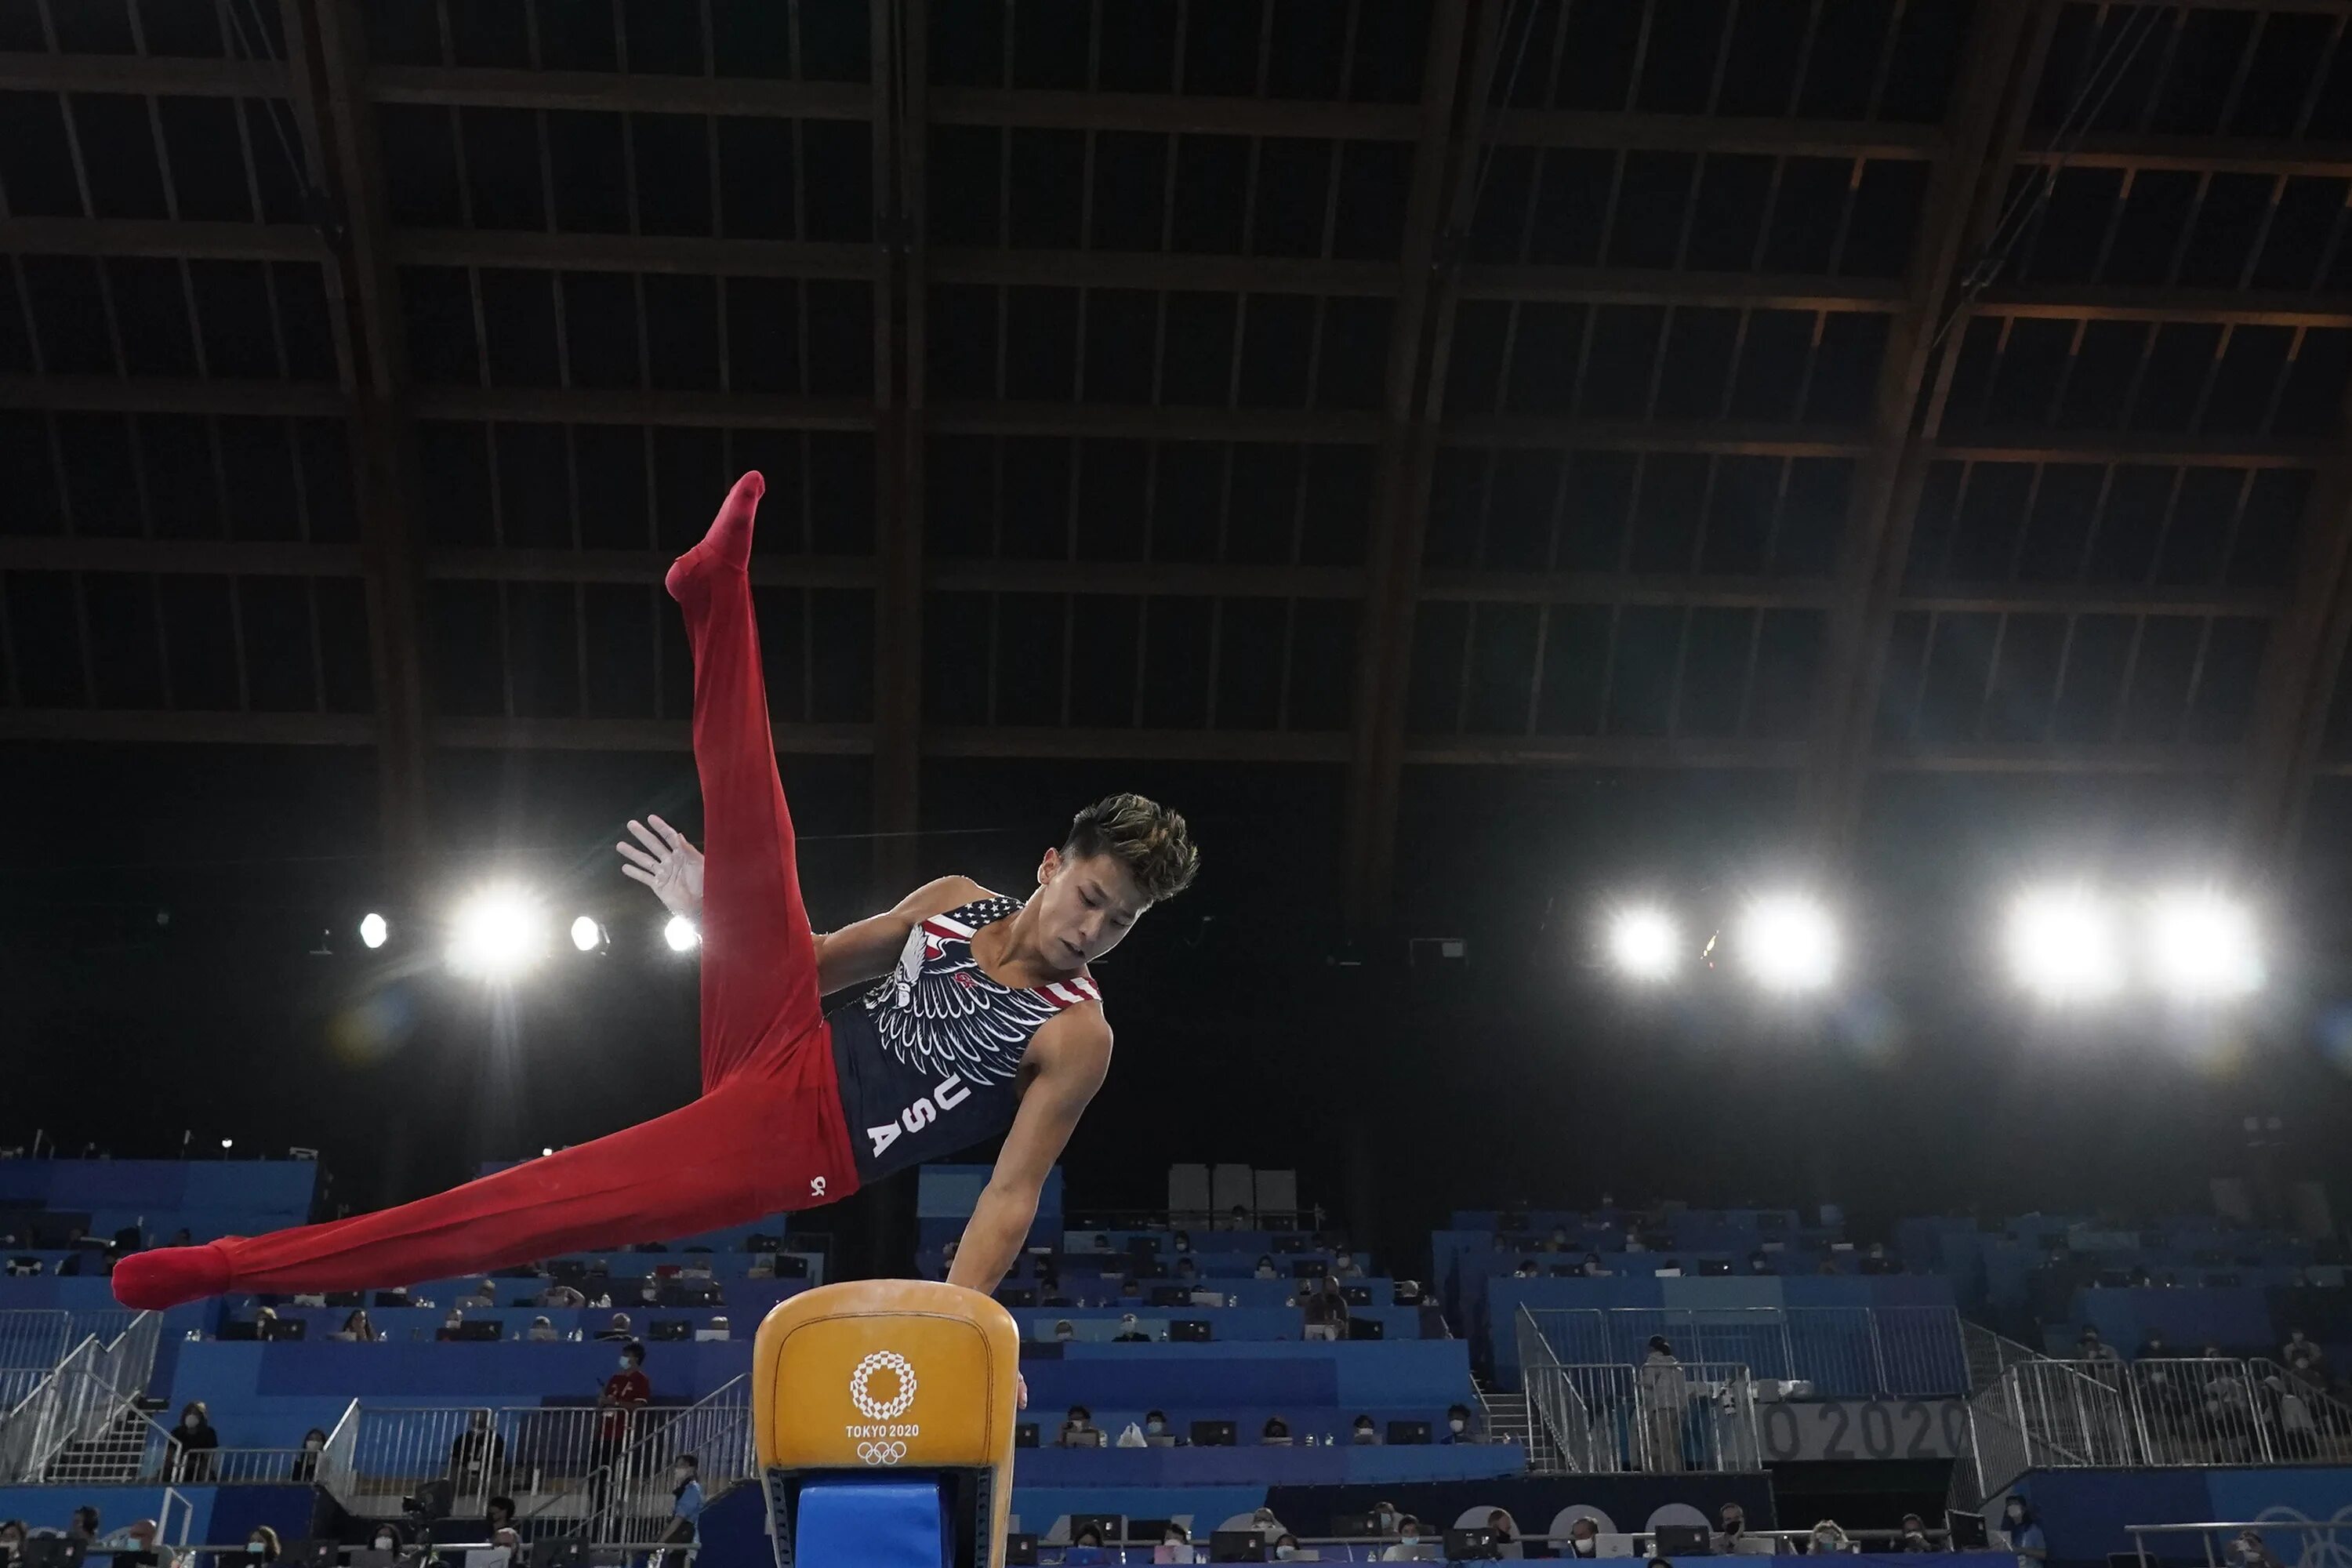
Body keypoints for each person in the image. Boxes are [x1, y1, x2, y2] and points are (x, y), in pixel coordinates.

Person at [111, 472, 1198, 1319]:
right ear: (1055, 863)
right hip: (778, 1036)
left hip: (803, 1143)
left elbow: (1010, 1194)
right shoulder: (958, 900)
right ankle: (712, 592)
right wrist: (722, 916)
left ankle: (220, 1270)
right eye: (1093, 896)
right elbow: (810, 966)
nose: (1094, 928)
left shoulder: (1076, 1035)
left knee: (518, 1215)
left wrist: (966, 1323)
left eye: (1121, 921)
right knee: (754, 842)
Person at [1639, 1336, 1690, 1472]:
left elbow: (1648, 1382)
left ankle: (1668, 1473)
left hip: (1662, 1406)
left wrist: (1639, 1381)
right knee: (1675, 1445)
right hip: (1678, 1407)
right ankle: (1678, 1471)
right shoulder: (1675, 1364)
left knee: (1664, 1444)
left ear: (1651, 1348)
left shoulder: (1653, 1361)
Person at [658, 1454, 703, 1568]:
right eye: (677, 1467)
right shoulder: (683, 1490)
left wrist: (661, 1541)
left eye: (681, 1466)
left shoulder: (692, 1489)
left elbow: (679, 1518)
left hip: (686, 1544)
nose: (677, 1470)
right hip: (679, 1544)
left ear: (691, 1468)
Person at [450, 1408, 507, 1492]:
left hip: (487, 1474)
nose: (477, 1418)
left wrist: (488, 1473)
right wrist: (462, 1470)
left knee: (498, 1483)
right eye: (475, 1415)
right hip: (465, 1474)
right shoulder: (462, 1438)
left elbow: (500, 1462)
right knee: (451, 1478)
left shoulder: (496, 1439)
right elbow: (454, 1461)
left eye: (481, 1416)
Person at [170, 1400, 219, 1483]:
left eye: (195, 1413)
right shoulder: (177, 1432)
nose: (191, 1416)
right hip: (180, 1465)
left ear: (201, 1417)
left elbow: (209, 1456)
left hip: (200, 1466)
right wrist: (177, 1464)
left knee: (204, 1472)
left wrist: (196, 1464)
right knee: (164, 1472)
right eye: (189, 1413)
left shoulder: (209, 1433)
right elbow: (169, 1454)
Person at [2000, 1499, 2045, 1566]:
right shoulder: (2009, 1530)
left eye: (2015, 1505)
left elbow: (2045, 1554)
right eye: (2009, 1506)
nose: (2012, 1508)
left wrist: (2021, 1550)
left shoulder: (2033, 1530)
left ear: (2023, 1509)